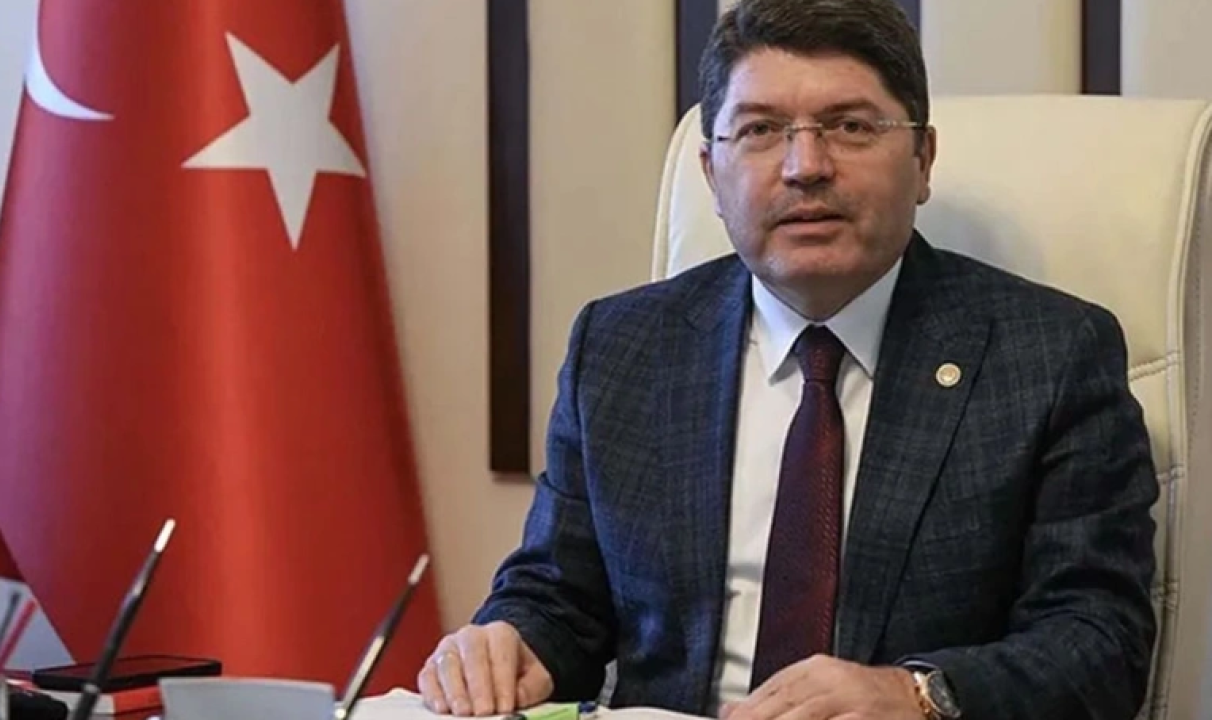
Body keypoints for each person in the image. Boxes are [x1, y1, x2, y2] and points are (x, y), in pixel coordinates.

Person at [418, 0, 1159, 718]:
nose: (806, 166)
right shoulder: (622, 348)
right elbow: (559, 598)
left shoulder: (1049, 355)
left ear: (923, 160)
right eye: (761, 130)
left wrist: (917, 695)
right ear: (712, 174)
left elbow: (1099, 643)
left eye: (851, 126)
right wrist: (511, 643)